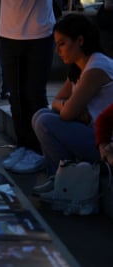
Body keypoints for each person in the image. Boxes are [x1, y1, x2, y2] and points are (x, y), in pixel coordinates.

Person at [32, 14, 113, 193]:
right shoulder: (78, 67)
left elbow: (66, 113)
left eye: (62, 44)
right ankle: (58, 178)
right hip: (89, 132)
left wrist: (67, 107)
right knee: (40, 115)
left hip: (105, 144)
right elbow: (57, 102)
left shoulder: (97, 67)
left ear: (80, 40)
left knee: (45, 122)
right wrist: (68, 106)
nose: (57, 51)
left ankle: (67, 180)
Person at [0, 0, 55, 174]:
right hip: (8, 31)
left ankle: (39, 150)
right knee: (15, 94)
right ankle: (22, 145)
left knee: (35, 94)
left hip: (38, 32)